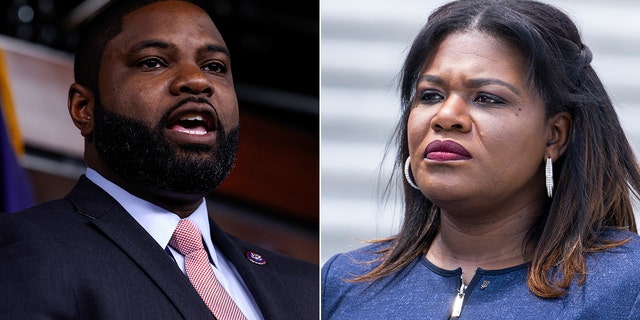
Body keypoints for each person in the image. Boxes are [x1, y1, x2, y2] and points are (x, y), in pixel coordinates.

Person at [321, 0, 640, 319]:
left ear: (554, 135)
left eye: (487, 98)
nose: (445, 117)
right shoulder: (343, 283)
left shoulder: (627, 284)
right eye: (430, 95)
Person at [0, 0, 318, 319]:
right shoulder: (26, 247)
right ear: (85, 108)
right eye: (153, 62)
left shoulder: (308, 287)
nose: (197, 81)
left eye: (215, 67)